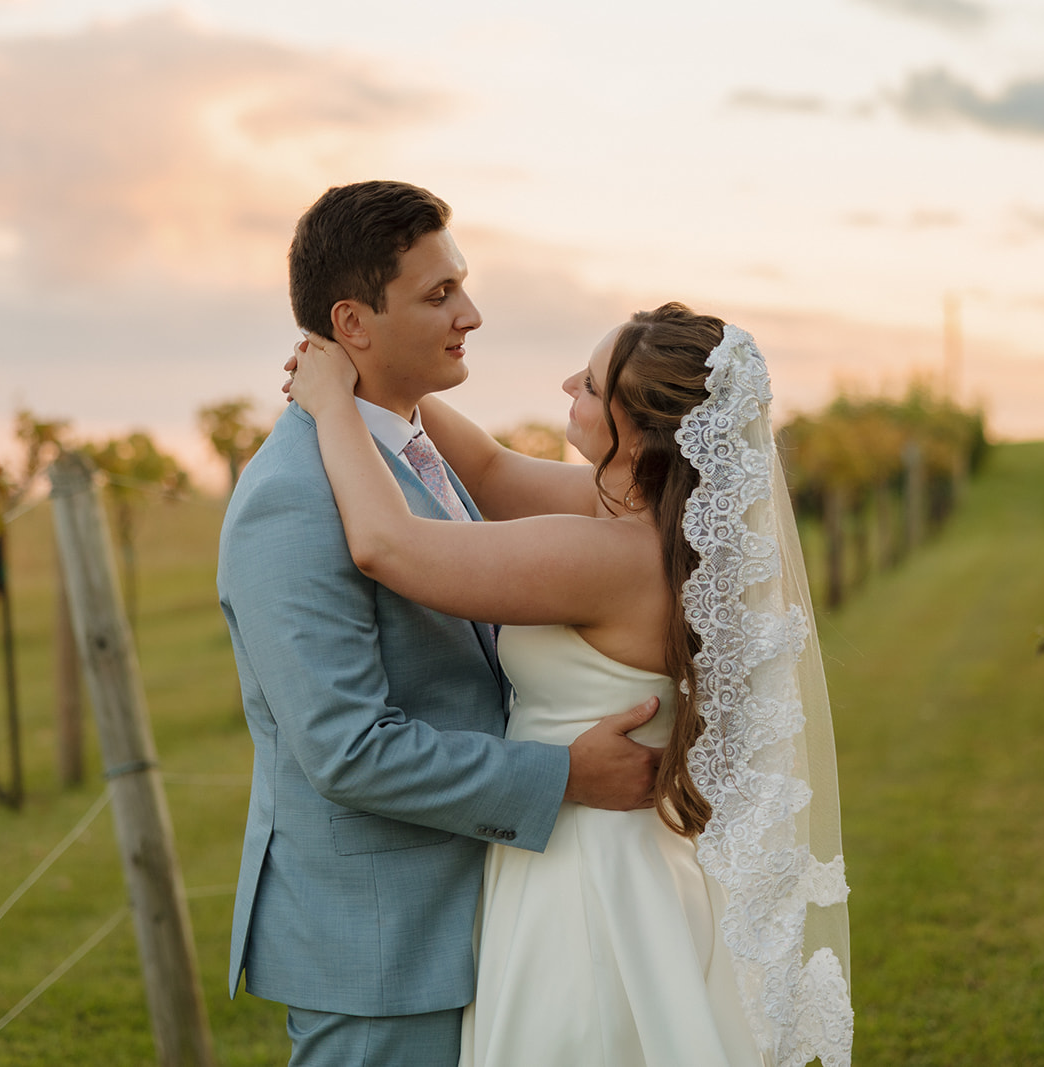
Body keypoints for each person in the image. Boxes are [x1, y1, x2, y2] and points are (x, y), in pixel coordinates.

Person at [289, 302, 854, 1066]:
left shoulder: (610, 558)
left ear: (639, 432)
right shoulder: (661, 524)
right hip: (632, 859)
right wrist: (385, 375)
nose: (566, 385)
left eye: (588, 384)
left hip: (583, 875)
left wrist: (331, 405)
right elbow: (489, 470)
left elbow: (388, 547)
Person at [217, 180, 664, 1067]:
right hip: (383, 950)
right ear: (352, 322)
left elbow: (479, 480)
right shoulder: (294, 499)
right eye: (439, 294)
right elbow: (348, 749)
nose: (472, 313)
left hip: (486, 917)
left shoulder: (409, 450)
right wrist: (563, 775)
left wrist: (350, 391)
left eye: (462, 284)